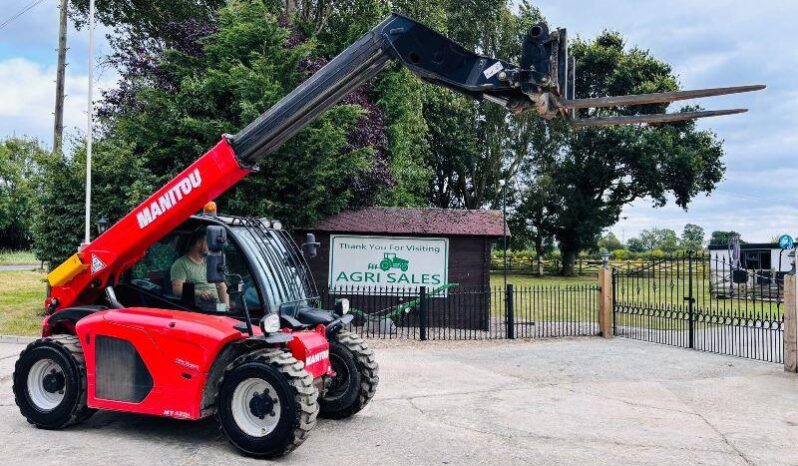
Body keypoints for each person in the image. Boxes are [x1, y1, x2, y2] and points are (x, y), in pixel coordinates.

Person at [171, 229, 229, 311]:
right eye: (208, 242)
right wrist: (199, 293)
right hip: (199, 310)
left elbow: (222, 287)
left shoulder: (210, 262)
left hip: (217, 309)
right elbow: (177, 290)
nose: (211, 246)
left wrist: (225, 310)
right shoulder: (181, 264)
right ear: (198, 243)